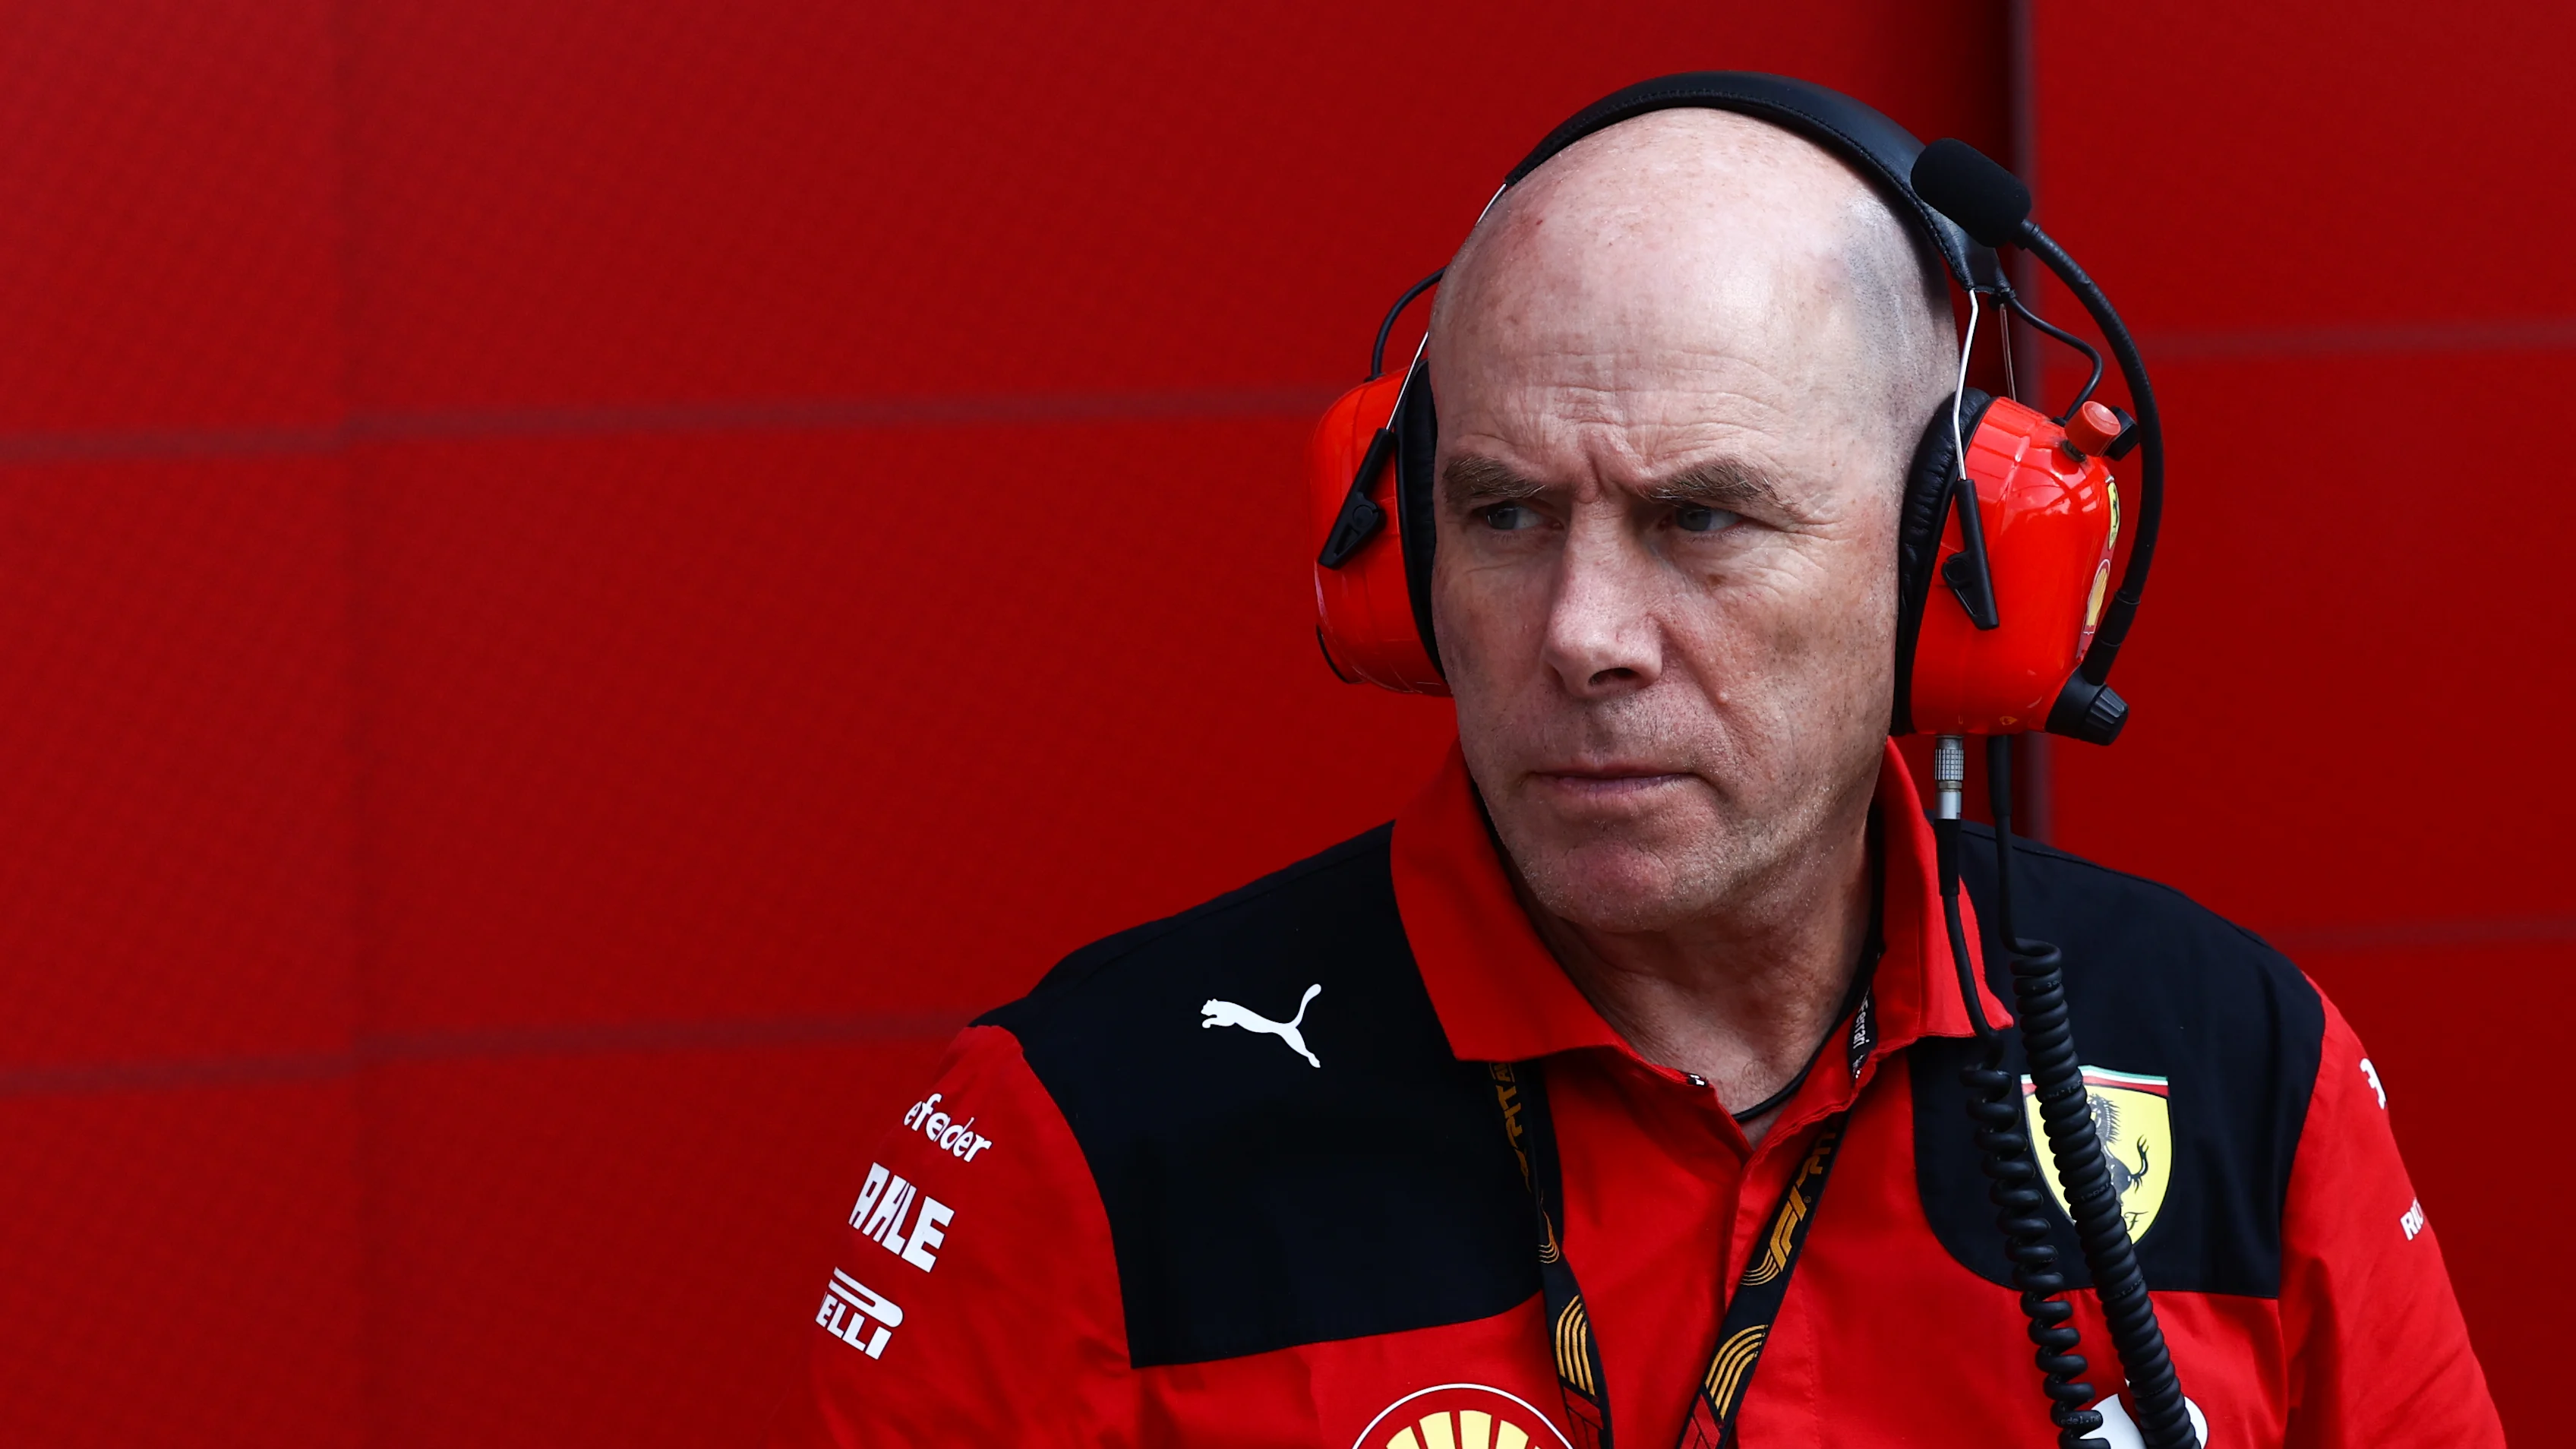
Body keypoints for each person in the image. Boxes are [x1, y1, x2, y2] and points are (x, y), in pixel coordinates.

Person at [769, 95, 2502, 1449]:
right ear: (1394, 561)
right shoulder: (1081, 1135)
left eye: (1701, 518)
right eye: (1505, 515)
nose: (1585, 631)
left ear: (1952, 570)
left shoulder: (2237, 1064)